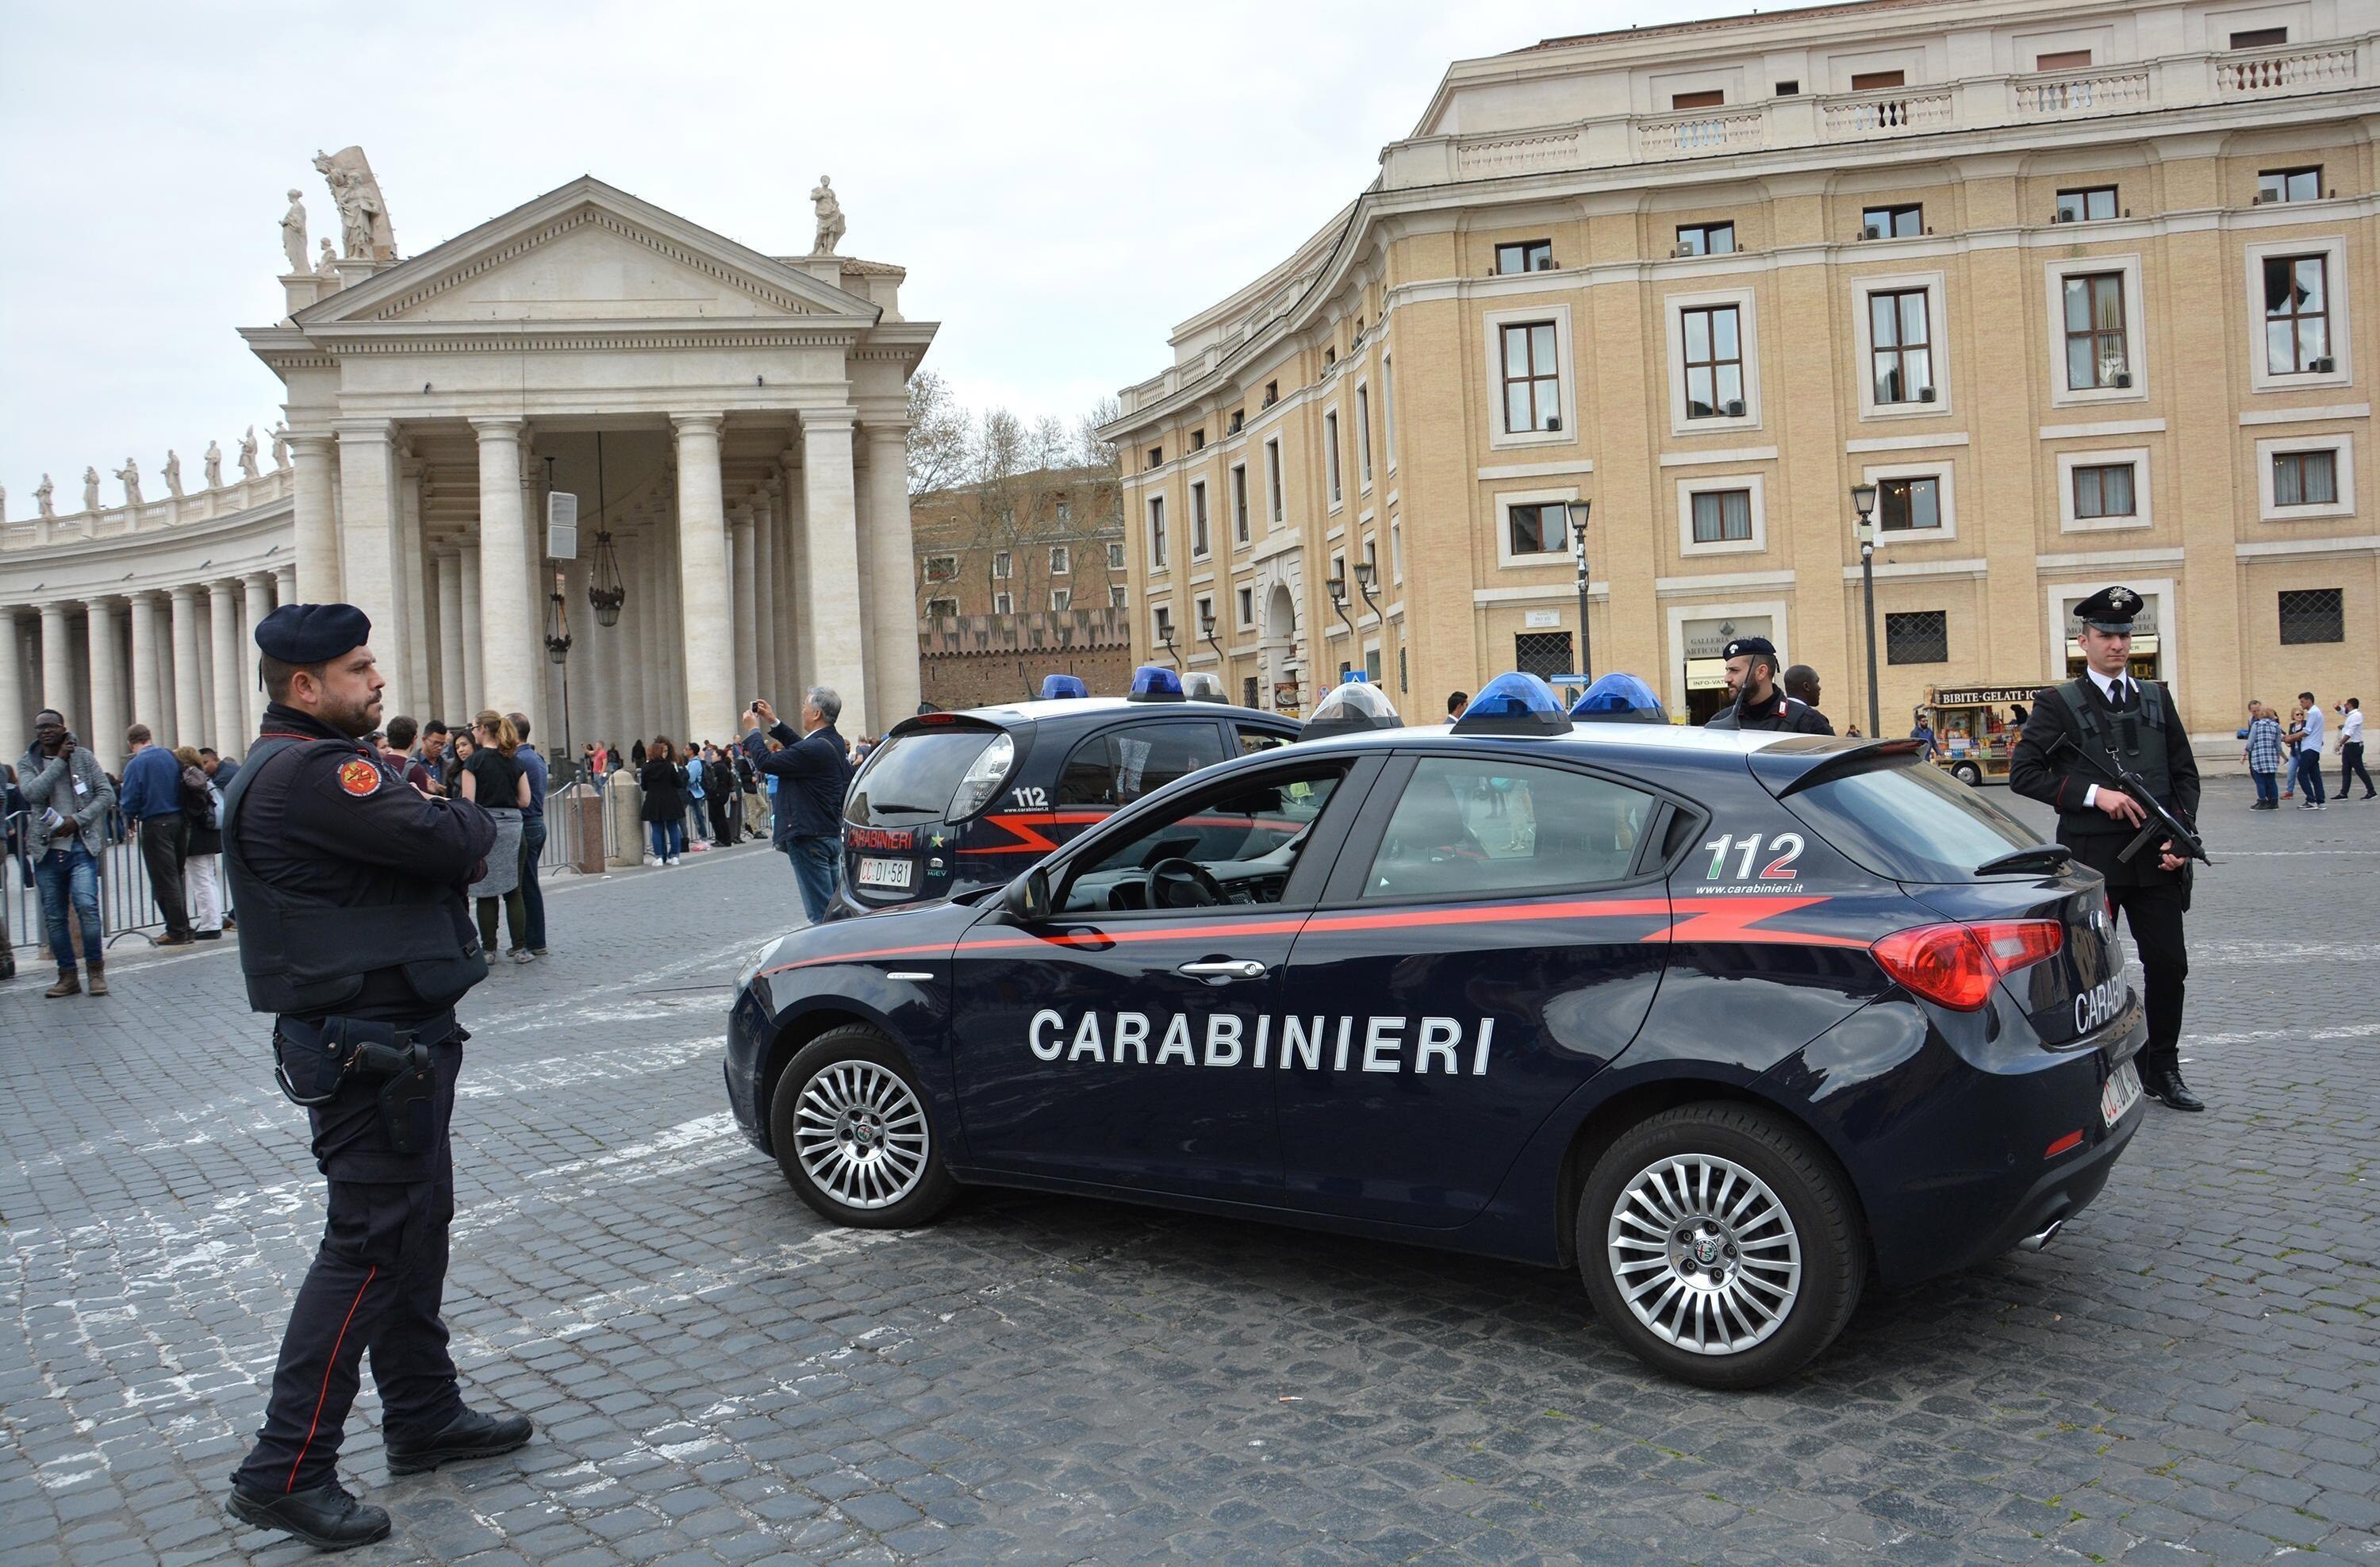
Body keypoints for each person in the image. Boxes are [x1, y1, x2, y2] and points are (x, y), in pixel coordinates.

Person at [220, 604, 531, 1549]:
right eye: (359, 670)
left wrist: (441, 809)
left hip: (386, 1033)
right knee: (366, 1242)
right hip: (371, 1044)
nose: (378, 680)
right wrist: (449, 809)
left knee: (413, 1225)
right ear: (304, 687)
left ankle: (423, 1411)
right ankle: (285, 1466)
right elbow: (461, 841)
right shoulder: (320, 773)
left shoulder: (291, 769)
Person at [2010, 586, 2204, 1113]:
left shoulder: (2157, 698)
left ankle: (2162, 1066)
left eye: (2124, 634)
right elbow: (2024, 773)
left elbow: (2184, 776)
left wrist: (2180, 840)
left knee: (2169, 965)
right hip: (2092, 861)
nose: (2117, 644)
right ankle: (2092, 1075)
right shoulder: (2059, 704)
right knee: (2088, 975)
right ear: (2084, 640)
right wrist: (2097, 794)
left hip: (2156, 861)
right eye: (2106, 635)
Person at [17, 709, 115, 997]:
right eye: (40, 727)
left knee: (87, 907)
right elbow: (33, 793)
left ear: (63, 727)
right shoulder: (28, 762)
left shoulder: (83, 757)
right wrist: (59, 760)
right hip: (46, 850)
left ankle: (96, 972)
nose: (46, 731)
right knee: (54, 917)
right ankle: (67, 976)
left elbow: (106, 794)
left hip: (80, 845)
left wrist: (78, 819)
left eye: (51, 726)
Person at [750, 688, 854, 924]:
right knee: (833, 908)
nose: (803, 711)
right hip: (827, 833)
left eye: (805, 707)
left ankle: (830, 957)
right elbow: (801, 747)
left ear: (816, 713)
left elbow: (766, 762)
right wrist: (773, 721)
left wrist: (753, 732)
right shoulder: (832, 741)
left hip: (808, 836)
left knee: (821, 915)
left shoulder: (814, 748)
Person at [459, 711, 532, 963]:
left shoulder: (474, 763)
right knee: (514, 889)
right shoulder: (515, 761)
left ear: (482, 730)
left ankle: (489, 950)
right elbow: (525, 800)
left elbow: (469, 802)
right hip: (513, 827)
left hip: (487, 828)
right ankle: (521, 948)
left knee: (486, 890)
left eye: (474, 727)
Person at [118, 722, 196, 945]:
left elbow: (131, 798)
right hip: (180, 821)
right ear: (149, 737)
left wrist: (129, 816)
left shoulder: (136, 764)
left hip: (155, 823)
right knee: (176, 875)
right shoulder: (170, 756)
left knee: (164, 879)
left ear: (131, 744)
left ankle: (177, 930)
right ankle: (185, 926)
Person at [1703, 636, 1833, 733]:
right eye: (1727, 671)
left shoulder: (1807, 722)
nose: (1726, 678)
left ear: (1761, 672)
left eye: (1734, 671)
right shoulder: (1720, 721)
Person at [506, 713, 551, 956]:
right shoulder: (534, 757)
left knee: (526, 886)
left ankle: (533, 941)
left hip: (527, 823)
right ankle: (533, 939)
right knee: (528, 883)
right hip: (536, 823)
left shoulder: (519, 760)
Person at [175, 745, 226, 940]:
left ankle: (210, 924)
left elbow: (193, 808)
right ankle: (212, 920)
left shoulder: (189, 778)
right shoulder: (202, 776)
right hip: (207, 833)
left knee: (201, 880)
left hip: (196, 835)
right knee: (208, 879)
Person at [639, 737, 686, 865]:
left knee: (657, 829)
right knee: (673, 828)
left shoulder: (646, 768)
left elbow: (644, 786)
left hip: (654, 800)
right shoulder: (669, 767)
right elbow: (678, 783)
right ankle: (675, 856)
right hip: (670, 799)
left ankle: (659, 856)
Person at [2289, 690, 2327, 810]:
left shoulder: (2313, 712)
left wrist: (2290, 737)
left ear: (2309, 701)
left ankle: (2311, 800)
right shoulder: (2317, 712)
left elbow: (2307, 731)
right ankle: (2320, 801)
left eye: (2302, 702)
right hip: (2315, 748)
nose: (2301, 705)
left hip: (2309, 747)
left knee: (2301, 774)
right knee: (2315, 776)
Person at [2244, 701, 2285, 809]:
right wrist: (2282, 756)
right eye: (2254, 711)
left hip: (2258, 755)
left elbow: (2250, 741)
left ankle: (2262, 801)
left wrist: (2245, 752)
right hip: (2271, 756)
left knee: (2260, 780)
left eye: (2258, 710)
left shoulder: (2256, 724)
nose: (2256, 712)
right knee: (2271, 780)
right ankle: (2274, 802)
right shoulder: (2275, 726)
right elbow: (2278, 743)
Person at [704, 743, 739, 846]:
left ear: (719, 757)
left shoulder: (718, 767)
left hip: (717, 794)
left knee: (719, 817)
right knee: (716, 817)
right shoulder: (722, 766)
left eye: (714, 754)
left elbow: (713, 780)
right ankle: (720, 838)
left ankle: (724, 839)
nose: (712, 756)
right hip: (720, 794)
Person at [2338, 697, 2372, 800]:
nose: (2345, 706)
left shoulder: (2356, 716)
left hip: (2354, 746)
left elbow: (2350, 732)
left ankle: (2371, 791)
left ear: (2350, 705)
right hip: (2349, 746)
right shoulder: (2351, 715)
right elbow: (2344, 713)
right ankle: (2344, 793)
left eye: (2346, 705)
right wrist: (2338, 708)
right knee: (2346, 770)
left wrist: (2340, 743)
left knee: (2360, 770)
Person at [1781, 664, 1831, 732]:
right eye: (1816, 682)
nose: (1819, 688)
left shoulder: (1773, 715)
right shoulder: (1814, 720)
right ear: (1806, 686)